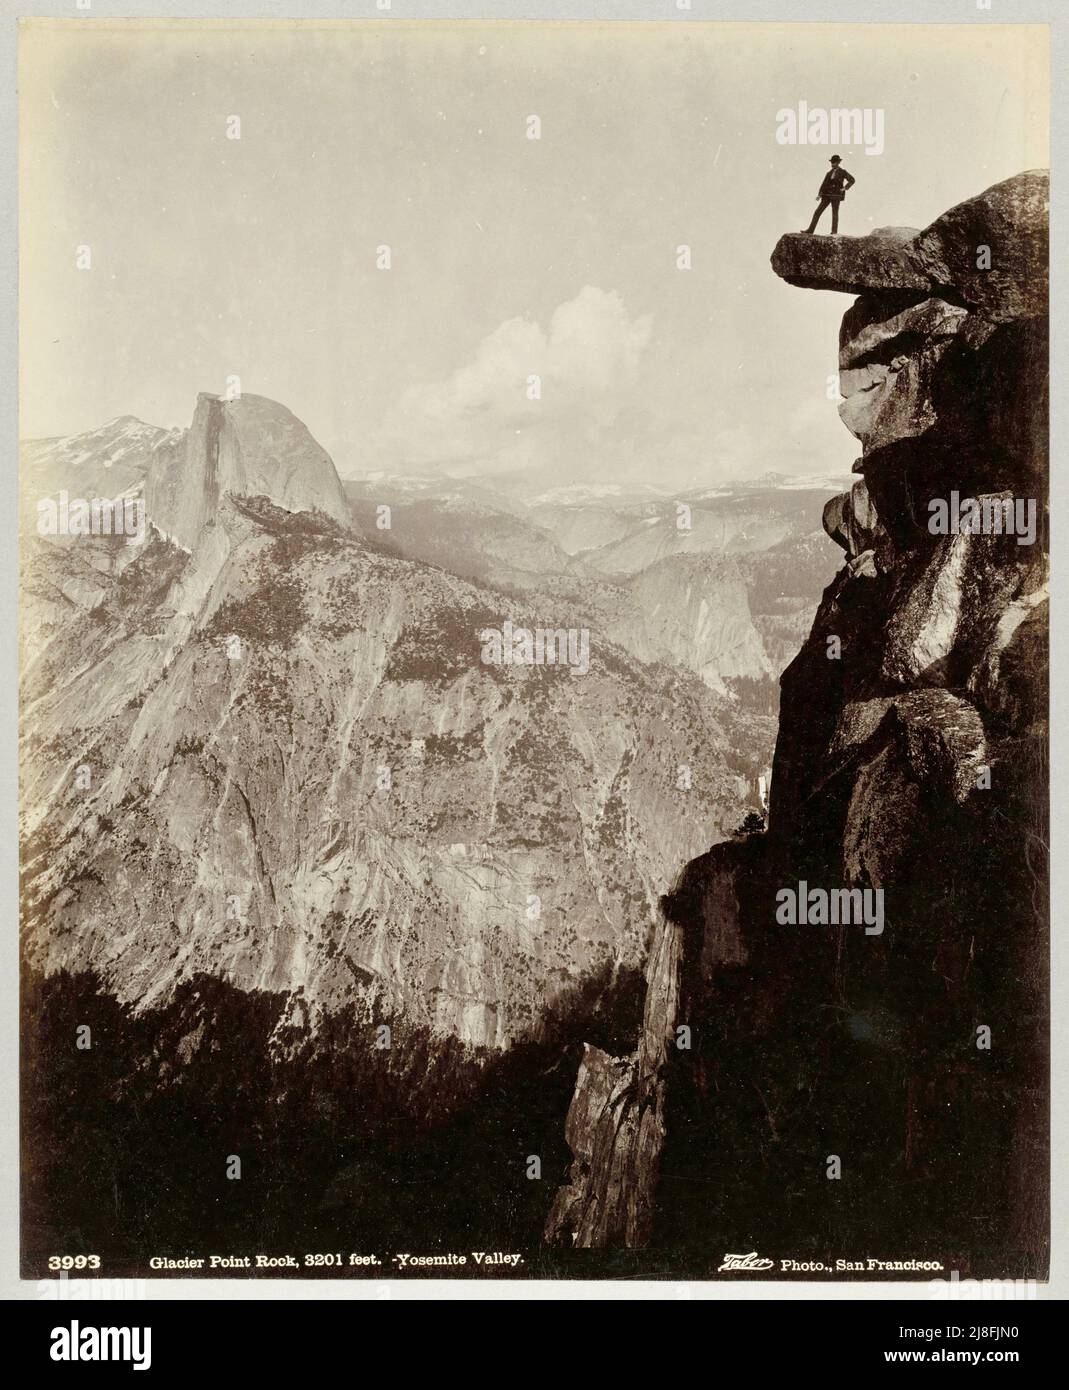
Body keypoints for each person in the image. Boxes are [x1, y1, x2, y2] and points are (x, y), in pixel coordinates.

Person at [802, 155, 855, 235]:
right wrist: (819, 195)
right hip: (826, 195)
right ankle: (810, 230)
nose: (832, 164)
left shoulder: (843, 172)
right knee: (817, 212)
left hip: (836, 196)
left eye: (834, 162)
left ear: (838, 163)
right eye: (832, 162)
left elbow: (852, 180)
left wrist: (844, 188)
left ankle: (834, 232)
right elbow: (824, 184)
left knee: (835, 214)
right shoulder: (829, 173)